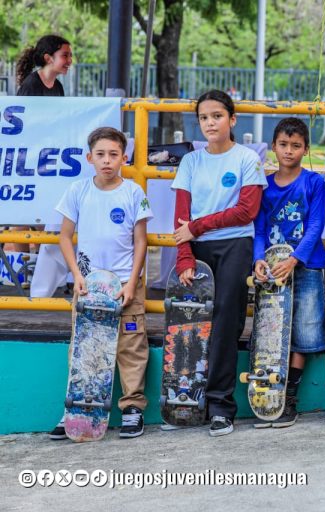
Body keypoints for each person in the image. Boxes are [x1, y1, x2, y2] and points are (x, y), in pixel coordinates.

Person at [172, 90, 266, 436]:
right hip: (197, 248)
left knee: (226, 322)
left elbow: (246, 211)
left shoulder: (247, 159)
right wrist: (184, 255)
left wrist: (197, 226)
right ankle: (186, 401)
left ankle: (220, 406)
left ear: (232, 119)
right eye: (203, 118)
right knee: (191, 321)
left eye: (217, 116)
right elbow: (181, 215)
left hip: (234, 246)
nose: (210, 123)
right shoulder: (190, 161)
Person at [49, 127, 153, 440]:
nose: (107, 160)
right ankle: (77, 408)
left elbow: (141, 241)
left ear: (124, 158)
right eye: (100, 154)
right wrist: (77, 276)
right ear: (89, 158)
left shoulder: (133, 192)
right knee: (84, 345)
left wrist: (132, 282)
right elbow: (64, 237)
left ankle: (132, 407)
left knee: (131, 345)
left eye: (113, 154)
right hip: (88, 284)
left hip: (124, 284)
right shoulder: (78, 190)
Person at [251, 117, 325, 428]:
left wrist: (295, 259)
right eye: (283, 144)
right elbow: (259, 230)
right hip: (272, 270)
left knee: (303, 330)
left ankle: (288, 397)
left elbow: (316, 225)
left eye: (296, 146)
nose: (289, 151)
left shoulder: (314, 183)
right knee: (270, 332)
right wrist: (258, 259)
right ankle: (268, 393)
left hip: (306, 266)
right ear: (273, 147)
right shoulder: (264, 187)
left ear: (306, 149)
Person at [10, 35, 72, 275]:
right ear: (49, 58)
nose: (69, 60)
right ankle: (24, 270)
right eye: (65, 55)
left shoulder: (58, 87)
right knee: (24, 215)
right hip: (27, 159)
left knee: (41, 213)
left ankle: (37, 268)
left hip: (46, 159)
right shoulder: (31, 85)